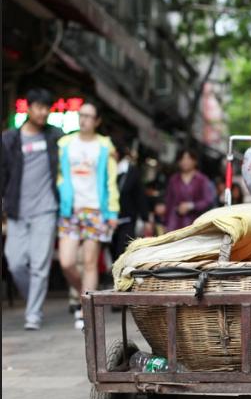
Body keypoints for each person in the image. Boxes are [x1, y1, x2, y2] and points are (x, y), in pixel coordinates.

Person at [1, 88, 63, 330]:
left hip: (46, 211)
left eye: (47, 108)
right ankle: (33, 301)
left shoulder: (55, 137)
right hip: (16, 210)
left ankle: (33, 314)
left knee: (39, 265)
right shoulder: (9, 140)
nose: (44, 112)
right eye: (39, 107)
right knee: (14, 261)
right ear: (28, 107)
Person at [57, 101, 119, 330]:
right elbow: (59, 176)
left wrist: (112, 211)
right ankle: (83, 293)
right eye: (81, 115)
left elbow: (111, 181)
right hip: (70, 210)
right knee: (67, 261)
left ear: (97, 121)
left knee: (91, 263)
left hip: (95, 210)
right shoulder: (65, 144)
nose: (83, 119)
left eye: (89, 116)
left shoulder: (104, 146)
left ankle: (85, 312)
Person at [110, 141, 152, 262]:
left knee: (121, 251)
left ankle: (119, 277)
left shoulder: (131, 171)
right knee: (110, 250)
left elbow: (139, 195)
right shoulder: (106, 169)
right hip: (108, 219)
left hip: (127, 218)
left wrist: (145, 218)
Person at [164, 148, 215, 231]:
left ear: (195, 161)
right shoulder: (174, 179)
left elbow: (208, 201)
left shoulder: (202, 180)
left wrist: (191, 206)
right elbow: (169, 202)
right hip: (173, 225)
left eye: (188, 158)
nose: (185, 161)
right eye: (182, 159)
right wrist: (165, 223)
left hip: (194, 224)